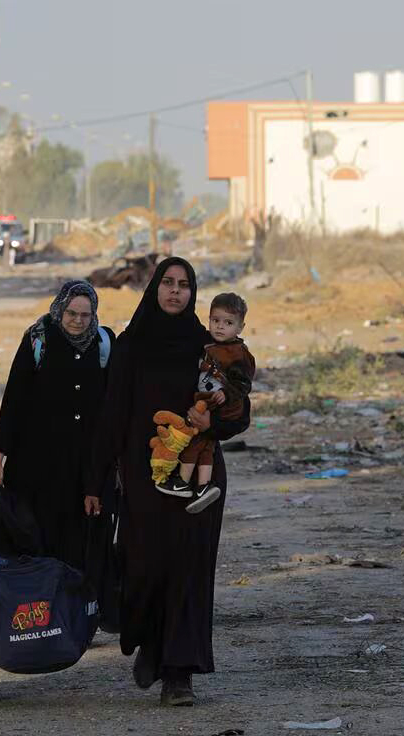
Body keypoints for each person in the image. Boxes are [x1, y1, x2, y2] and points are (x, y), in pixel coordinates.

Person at [90, 257, 250, 707]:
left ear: (193, 292)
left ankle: (179, 673)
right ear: (154, 288)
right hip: (143, 477)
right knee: (143, 567)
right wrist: (98, 479)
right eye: (168, 283)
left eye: (183, 285)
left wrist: (212, 420)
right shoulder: (130, 346)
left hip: (198, 478)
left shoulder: (211, 346)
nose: (175, 291)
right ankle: (151, 642)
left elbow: (239, 412)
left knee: (189, 571)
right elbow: (112, 417)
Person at [0, 280, 115, 569]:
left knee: (79, 547)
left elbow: (112, 407)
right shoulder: (38, 338)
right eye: (72, 313)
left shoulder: (104, 343)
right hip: (36, 467)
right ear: (61, 309)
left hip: (83, 468)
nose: (78, 321)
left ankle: (75, 611)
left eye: (85, 315)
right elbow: (14, 400)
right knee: (37, 543)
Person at [155, 292, 256, 514]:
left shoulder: (238, 353)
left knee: (197, 442)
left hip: (218, 408)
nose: (220, 327)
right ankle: (201, 486)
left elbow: (243, 384)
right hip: (206, 404)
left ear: (240, 327)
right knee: (203, 445)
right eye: (215, 321)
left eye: (228, 323)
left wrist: (227, 395)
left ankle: (188, 483)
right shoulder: (206, 343)